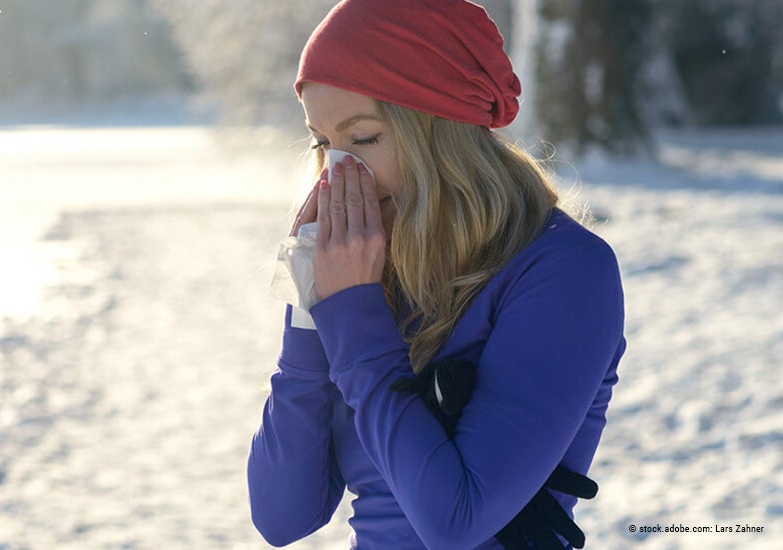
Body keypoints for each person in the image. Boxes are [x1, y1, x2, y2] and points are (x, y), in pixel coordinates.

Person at [246, 1, 626, 549]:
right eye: (323, 143)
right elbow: (282, 517)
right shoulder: (369, 271)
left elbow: (457, 520)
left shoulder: (562, 270)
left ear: (439, 129)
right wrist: (309, 313)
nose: (338, 174)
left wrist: (354, 316)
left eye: (364, 138)